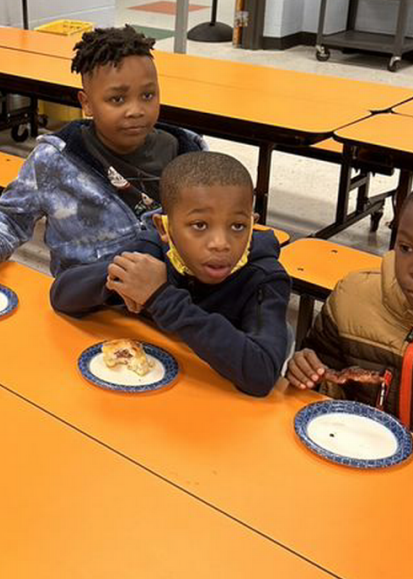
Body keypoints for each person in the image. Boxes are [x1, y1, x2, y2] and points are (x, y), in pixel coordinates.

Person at [0, 25, 202, 285]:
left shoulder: (188, 155)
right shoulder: (55, 161)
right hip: (86, 300)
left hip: (171, 298)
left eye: (148, 95)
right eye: (117, 99)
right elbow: (9, 214)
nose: (136, 110)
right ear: (86, 104)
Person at [51, 151, 291, 397]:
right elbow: (61, 295)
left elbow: (261, 374)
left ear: (253, 223)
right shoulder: (150, 250)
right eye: (200, 225)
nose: (221, 243)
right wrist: (118, 278)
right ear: (163, 227)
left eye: (238, 226)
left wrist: (161, 296)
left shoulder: (264, 277)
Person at [286, 175, 413, 461]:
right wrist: (306, 370)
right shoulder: (353, 299)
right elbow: (325, 378)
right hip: (352, 461)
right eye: (406, 248)